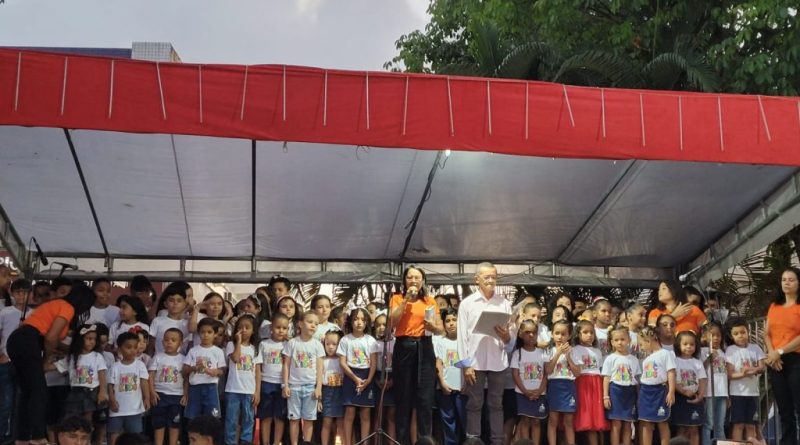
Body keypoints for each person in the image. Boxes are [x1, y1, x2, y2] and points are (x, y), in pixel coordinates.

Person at [7, 281, 95, 445]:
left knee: (27, 392)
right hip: (27, 341)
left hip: (18, 341)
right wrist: (46, 360)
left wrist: (70, 350)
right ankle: (38, 436)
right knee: (39, 391)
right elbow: (50, 338)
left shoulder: (56, 304)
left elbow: (51, 339)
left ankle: (22, 437)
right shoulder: (67, 307)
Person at [458, 263, 513, 445]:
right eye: (486, 277)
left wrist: (506, 336)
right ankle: (473, 441)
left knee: (496, 404)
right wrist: (466, 365)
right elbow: (462, 337)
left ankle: (497, 441)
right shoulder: (467, 304)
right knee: (474, 404)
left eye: (493, 277)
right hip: (475, 362)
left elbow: (510, 339)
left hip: (498, 361)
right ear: (477, 280)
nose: (490, 280)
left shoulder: (504, 303)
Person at [390, 265, 444, 445]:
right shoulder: (397, 298)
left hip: (425, 346)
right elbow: (392, 322)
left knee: (425, 401)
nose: (413, 281)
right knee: (403, 400)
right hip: (404, 346)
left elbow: (440, 329)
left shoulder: (430, 300)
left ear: (423, 281)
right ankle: (403, 441)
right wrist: (406, 300)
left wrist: (433, 327)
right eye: (410, 278)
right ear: (404, 281)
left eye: (417, 278)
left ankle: (425, 441)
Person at [764, 267, 800, 445]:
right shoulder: (774, 306)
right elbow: (766, 333)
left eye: (791, 279)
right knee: (784, 408)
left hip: (795, 359)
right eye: (784, 279)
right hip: (776, 361)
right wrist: (772, 353)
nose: (787, 283)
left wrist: (780, 351)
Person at [282, 311, 325, 445]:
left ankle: (307, 442)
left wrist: (318, 388)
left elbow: (320, 369)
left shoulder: (317, 345)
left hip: (310, 387)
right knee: (294, 419)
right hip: (294, 387)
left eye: (316, 323)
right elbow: (286, 365)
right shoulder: (292, 343)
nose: (313, 325)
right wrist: (285, 385)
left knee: (309, 419)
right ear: (300, 324)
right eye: (310, 322)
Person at [0, 278, 34, 444]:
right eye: (18, 292)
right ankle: (2, 435)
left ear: (30, 294)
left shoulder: (34, 314)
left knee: (20, 402)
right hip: (6, 360)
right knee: (6, 402)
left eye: (25, 292)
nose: (21, 296)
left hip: (26, 363)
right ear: (12, 294)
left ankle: (16, 436)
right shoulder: (5, 312)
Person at [338, 308, 378, 445]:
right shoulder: (345, 340)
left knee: (365, 413)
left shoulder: (371, 340)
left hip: (367, 376)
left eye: (362, 319)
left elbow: (373, 363)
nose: (359, 322)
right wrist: (355, 379)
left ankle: (364, 442)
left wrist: (368, 380)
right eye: (355, 319)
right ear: (350, 321)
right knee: (349, 412)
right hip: (351, 377)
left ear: (367, 322)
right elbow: (342, 363)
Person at [54, 324, 109, 422]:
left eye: (94, 339)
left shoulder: (97, 356)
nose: (92, 342)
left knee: (87, 418)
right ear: (80, 339)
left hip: (91, 391)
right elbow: (56, 366)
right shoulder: (72, 357)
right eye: (89, 338)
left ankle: (87, 432)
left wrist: (102, 392)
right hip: (75, 391)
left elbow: (102, 376)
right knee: (71, 417)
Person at [725, 317, 766, 441]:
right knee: (738, 425)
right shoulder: (730, 350)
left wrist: (751, 370)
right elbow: (730, 374)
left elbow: (762, 367)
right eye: (736, 333)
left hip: (753, 393)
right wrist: (744, 374)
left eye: (743, 332)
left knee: (751, 425)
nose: (740, 336)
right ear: (731, 336)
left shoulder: (755, 348)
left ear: (748, 331)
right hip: (737, 394)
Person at [224, 314, 262, 445]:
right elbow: (235, 358)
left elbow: (258, 372)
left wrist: (257, 392)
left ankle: (246, 441)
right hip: (233, 389)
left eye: (247, 327)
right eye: (240, 327)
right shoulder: (231, 344)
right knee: (231, 420)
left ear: (253, 331)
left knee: (248, 419)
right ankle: (230, 442)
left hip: (249, 390)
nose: (243, 330)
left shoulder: (255, 349)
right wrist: (238, 342)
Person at [107, 332, 151, 445]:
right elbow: (110, 386)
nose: (132, 350)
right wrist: (112, 400)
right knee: (114, 433)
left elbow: (144, 382)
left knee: (135, 435)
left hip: (134, 409)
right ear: (119, 349)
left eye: (135, 347)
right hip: (117, 409)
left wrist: (147, 397)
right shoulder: (115, 367)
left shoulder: (140, 365)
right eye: (128, 347)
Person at [510, 319, 547, 445]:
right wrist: (525, 391)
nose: (531, 335)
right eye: (527, 332)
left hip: (539, 394)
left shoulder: (542, 353)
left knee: (536, 421)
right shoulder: (518, 353)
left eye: (534, 332)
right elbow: (515, 374)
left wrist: (540, 390)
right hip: (522, 394)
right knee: (525, 420)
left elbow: (546, 374)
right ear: (520, 334)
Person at [637, 326, 676, 445]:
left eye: (641, 344)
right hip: (645, 391)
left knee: (662, 422)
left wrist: (671, 392)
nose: (641, 347)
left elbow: (671, 372)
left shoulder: (666, 354)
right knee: (646, 423)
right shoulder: (646, 359)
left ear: (648, 341)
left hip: (659, 391)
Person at [602, 325, 640, 445]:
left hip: (630, 393)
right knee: (616, 423)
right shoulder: (610, 358)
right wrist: (606, 396)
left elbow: (637, 379)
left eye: (623, 339)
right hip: (615, 392)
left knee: (628, 423)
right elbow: (606, 378)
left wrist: (638, 397)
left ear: (629, 340)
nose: (620, 342)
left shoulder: (634, 359)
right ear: (612, 342)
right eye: (616, 340)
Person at [183, 318, 227, 420]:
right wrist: (194, 368)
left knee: (212, 417)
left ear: (215, 334)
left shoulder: (218, 351)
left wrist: (215, 371)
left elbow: (222, 370)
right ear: (199, 333)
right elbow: (184, 370)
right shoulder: (193, 351)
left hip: (211, 387)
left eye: (209, 332)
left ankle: (210, 431)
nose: (206, 335)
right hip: (195, 387)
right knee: (193, 417)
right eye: (202, 332)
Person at [148, 328, 186, 445]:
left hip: (177, 396)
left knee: (175, 423)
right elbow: (151, 375)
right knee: (159, 422)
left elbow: (187, 379)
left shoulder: (183, 359)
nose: (169, 342)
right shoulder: (158, 357)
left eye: (173, 340)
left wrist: (186, 394)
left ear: (180, 343)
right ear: (162, 342)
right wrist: (152, 392)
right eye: (166, 340)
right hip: (160, 395)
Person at [573, 320, 608, 445]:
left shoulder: (597, 351)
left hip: (596, 384)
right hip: (583, 384)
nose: (589, 335)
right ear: (578, 334)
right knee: (585, 415)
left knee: (595, 420)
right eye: (585, 332)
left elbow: (600, 369)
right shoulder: (575, 350)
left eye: (592, 332)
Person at [545, 320, 580, 445]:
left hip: (568, 386)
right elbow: (548, 370)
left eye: (564, 334)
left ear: (569, 335)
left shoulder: (574, 351)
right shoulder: (548, 351)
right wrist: (558, 353)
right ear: (552, 334)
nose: (560, 337)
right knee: (553, 419)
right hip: (554, 385)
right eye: (557, 333)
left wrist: (568, 356)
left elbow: (577, 373)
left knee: (569, 421)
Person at [435, 308, 466, 445]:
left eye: (454, 320)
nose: (451, 323)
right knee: (448, 422)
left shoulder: (465, 341)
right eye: (447, 321)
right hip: (445, 389)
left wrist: (466, 384)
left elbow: (468, 364)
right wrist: (442, 383)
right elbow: (439, 363)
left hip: (462, 389)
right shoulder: (441, 342)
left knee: (464, 420)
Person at [258, 313, 290, 445]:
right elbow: (258, 366)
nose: (281, 330)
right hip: (266, 383)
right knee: (266, 417)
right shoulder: (263, 344)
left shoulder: (289, 345)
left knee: (279, 417)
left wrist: (286, 385)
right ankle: (265, 442)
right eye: (278, 327)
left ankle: (277, 443)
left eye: (284, 328)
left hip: (282, 384)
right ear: (271, 328)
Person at [672, 331, 706, 445]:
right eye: (685, 344)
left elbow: (702, 379)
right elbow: (672, 379)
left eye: (692, 344)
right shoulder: (675, 361)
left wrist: (700, 396)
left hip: (695, 398)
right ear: (678, 345)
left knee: (694, 428)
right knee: (681, 428)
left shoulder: (697, 363)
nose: (689, 347)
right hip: (680, 398)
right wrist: (683, 391)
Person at [699, 321, 727, 445]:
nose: (715, 338)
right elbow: (700, 369)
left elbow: (726, 375)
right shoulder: (702, 351)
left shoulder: (723, 352)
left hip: (722, 392)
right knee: (708, 424)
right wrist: (709, 358)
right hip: (709, 392)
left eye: (718, 335)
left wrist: (728, 395)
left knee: (720, 424)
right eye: (712, 335)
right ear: (705, 336)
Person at [321, 330, 345, 445]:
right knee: (327, 421)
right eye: (327, 344)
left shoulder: (342, 360)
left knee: (341, 422)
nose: (330, 347)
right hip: (327, 392)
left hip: (340, 391)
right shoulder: (322, 360)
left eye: (334, 344)